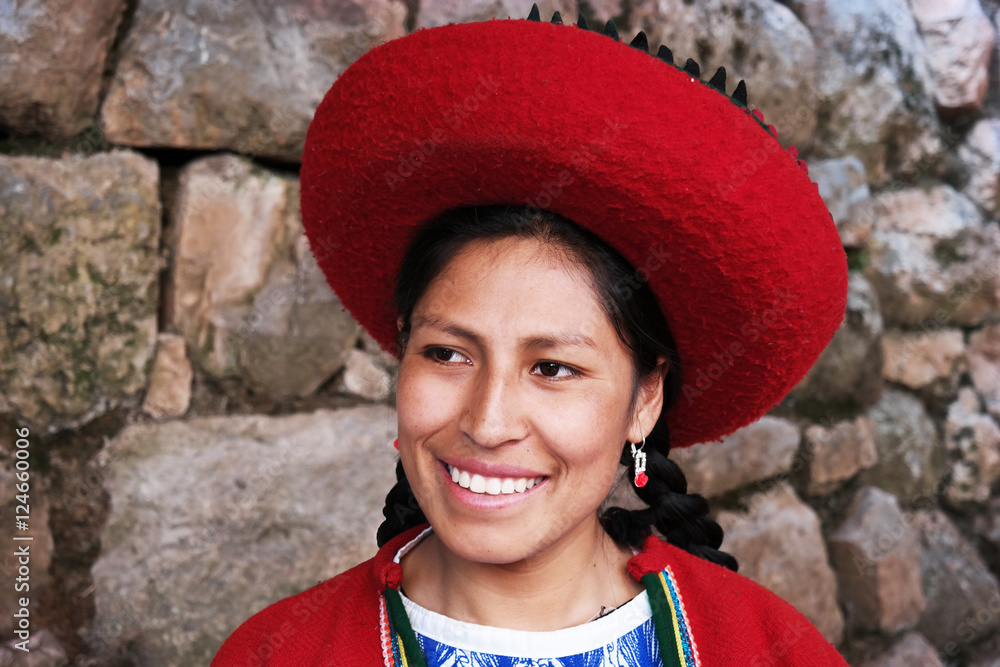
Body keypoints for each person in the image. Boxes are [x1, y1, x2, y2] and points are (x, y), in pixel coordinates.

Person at [213, 5, 850, 666]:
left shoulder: (768, 650)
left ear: (644, 398)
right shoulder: (277, 652)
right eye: (448, 354)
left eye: (551, 367)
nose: (487, 423)